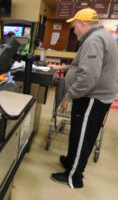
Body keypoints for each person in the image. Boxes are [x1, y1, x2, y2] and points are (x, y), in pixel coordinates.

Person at [49, 8, 118, 189]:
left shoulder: (94, 40)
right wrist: (63, 68)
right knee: (77, 132)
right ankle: (72, 161)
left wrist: (69, 95)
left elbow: (89, 76)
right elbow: (85, 65)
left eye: (74, 25)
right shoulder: (100, 36)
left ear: (83, 23)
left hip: (92, 98)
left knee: (82, 137)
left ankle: (74, 177)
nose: (73, 29)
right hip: (92, 96)